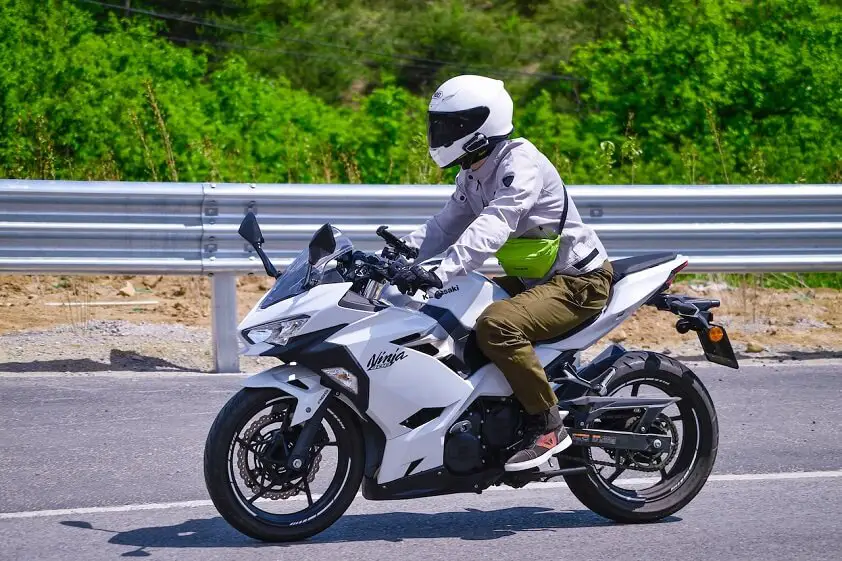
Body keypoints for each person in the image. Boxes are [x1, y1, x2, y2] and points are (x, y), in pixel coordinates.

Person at [393, 75, 613, 472]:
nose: (441, 133)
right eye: (439, 124)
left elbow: (495, 223)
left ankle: (548, 424)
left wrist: (443, 270)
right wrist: (395, 256)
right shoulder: (473, 173)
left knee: (497, 325)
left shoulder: (519, 162)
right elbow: (444, 225)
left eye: (451, 125)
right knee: (451, 312)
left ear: (481, 124)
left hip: (578, 281)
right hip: (538, 279)